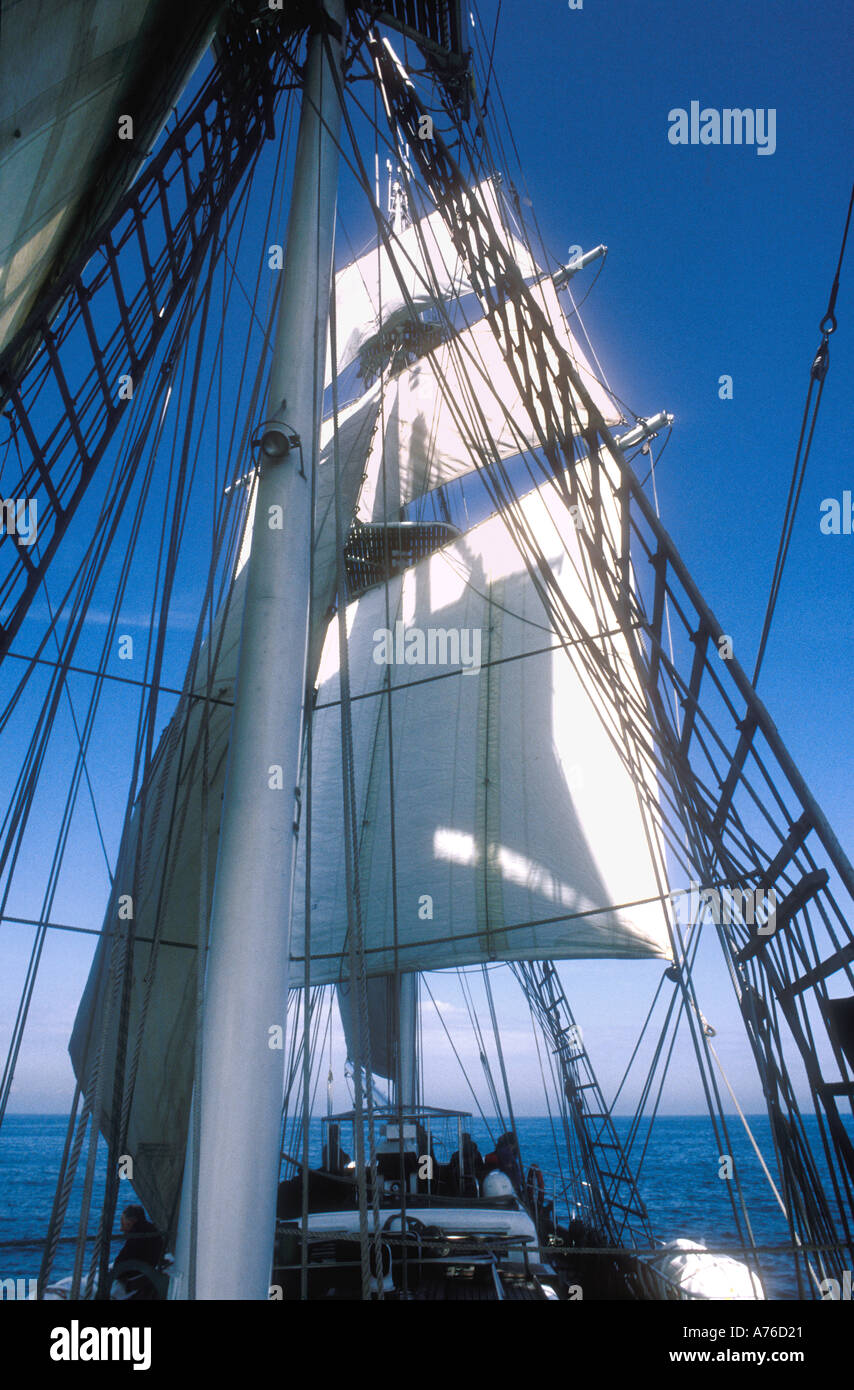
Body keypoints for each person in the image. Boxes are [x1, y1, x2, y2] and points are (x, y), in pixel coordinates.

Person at [112, 1204, 164, 1299]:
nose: (121, 1229)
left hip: (135, 1283)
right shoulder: (154, 1231)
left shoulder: (135, 1238)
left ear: (132, 1221)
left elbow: (119, 1268)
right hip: (147, 1277)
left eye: (124, 1224)